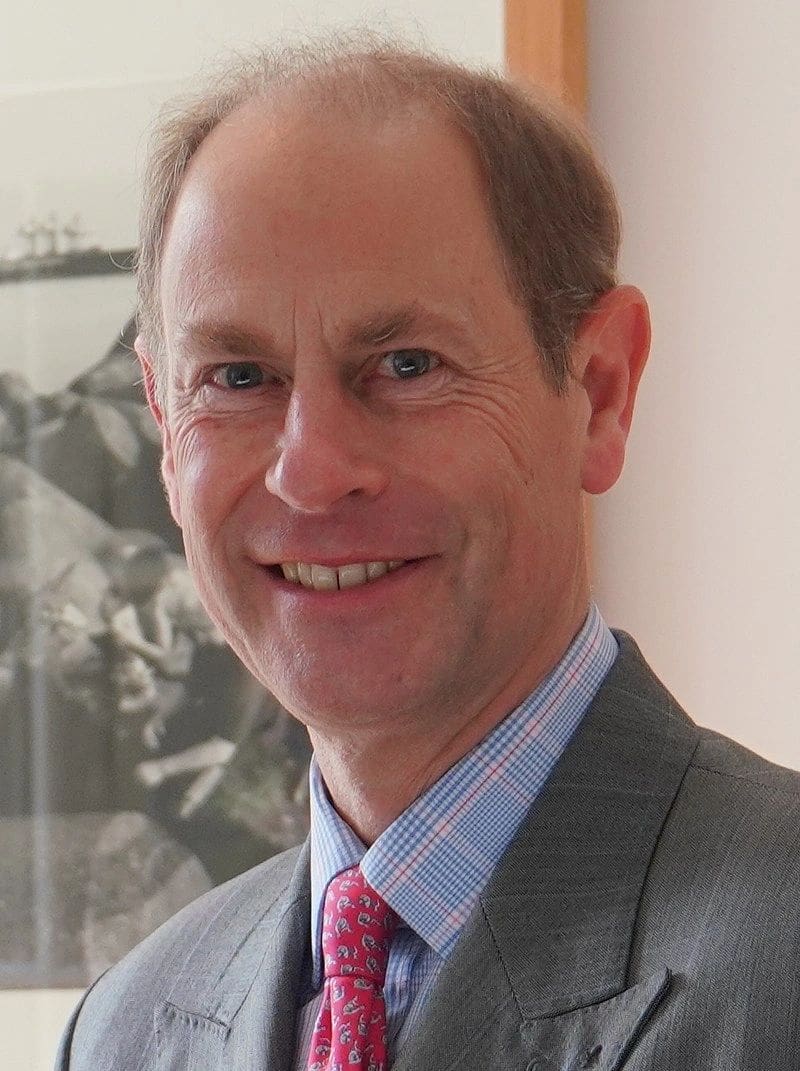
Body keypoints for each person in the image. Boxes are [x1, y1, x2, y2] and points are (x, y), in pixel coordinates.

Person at [56, 39, 800, 1071]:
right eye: (235, 377)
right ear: (161, 421)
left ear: (598, 390)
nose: (310, 473)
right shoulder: (124, 1030)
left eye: (405, 365)